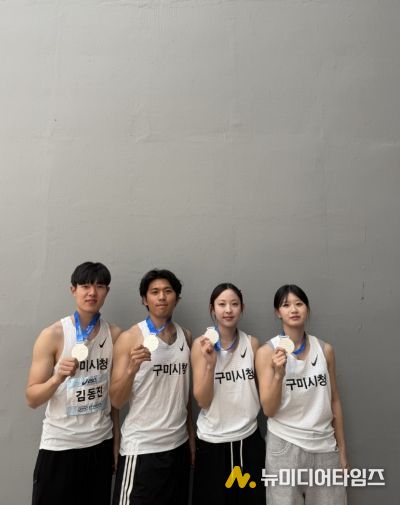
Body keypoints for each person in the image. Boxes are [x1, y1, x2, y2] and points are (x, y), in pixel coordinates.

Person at [26, 261, 122, 505]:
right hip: (60, 445)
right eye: (85, 286)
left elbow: (113, 396)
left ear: (107, 292)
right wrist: (57, 377)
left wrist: (116, 441)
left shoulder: (114, 335)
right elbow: (32, 398)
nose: (92, 292)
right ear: (73, 290)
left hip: (100, 443)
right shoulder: (54, 335)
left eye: (99, 286)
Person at [256, 284, 349, 505]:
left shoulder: (324, 349)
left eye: (299, 303)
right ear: (278, 312)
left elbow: (334, 400)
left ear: (307, 308)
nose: (293, 309)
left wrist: (342, 452)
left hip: (324, 445)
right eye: (286, 305)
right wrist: (278, 374)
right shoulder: (266, 352)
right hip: (284, 446)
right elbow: (268, 409)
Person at [110, 268, 194, 505]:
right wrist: (131, 369)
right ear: (144, 300)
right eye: (154, 292)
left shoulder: (186, 336)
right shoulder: (130, 337)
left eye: (168, 291)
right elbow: (116, 400)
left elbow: (184, 395)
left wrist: (191, 438)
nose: (162, 297)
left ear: (177, 298)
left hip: (178, 446)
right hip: (142, 448)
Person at [191, 283, 265, 505]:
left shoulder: (252, 344)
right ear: (212, 309)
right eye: (222, 304)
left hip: (248, 440)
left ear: (242, 308)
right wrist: (210, 364)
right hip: (212, 441)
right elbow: (202, 400)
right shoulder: (200, 345)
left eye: (234, 304)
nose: (228, 310)